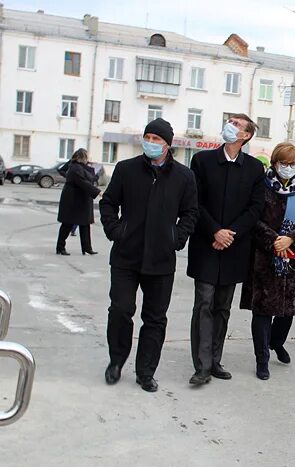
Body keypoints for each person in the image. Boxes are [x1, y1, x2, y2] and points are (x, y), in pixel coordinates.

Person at [99, 118, 198, 392]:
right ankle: (116, 361)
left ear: (168, 145)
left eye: (157, 139)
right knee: (120, 309)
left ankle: (145, 372)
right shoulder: (126, 169)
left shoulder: (183, 176)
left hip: (161, 260)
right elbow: (108, 203)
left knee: (154, 318)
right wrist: (116, 230)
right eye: (148, 138)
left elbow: (191, 212)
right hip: (125, 257)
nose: (151, 143)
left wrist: (176, 238)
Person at [186, 114, 265, 386]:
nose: (229, 127)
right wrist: (214, 231)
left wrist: (230, 234)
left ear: (246, 136)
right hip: (206, 243)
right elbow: (195, 200)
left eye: (236, 125)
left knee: (222, 306)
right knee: (204, 302)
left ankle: (215, 359)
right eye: (228, 122)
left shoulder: (254, 169)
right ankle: (202, 365)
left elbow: (255, 208)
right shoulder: (203, 160)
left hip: (235, 246)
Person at [241, 143, 295, 380]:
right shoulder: (261, 185)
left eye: (293, 164)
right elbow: (252, 218)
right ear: (275, 163)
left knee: (288, 309)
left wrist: (292, 239)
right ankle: (262, 358)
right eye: (284, 163)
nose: (289, 168)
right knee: (263, 311)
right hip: (265, 256)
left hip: (293, 257)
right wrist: (274, 241)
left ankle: (277, 342)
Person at [56, 149, 101, 256]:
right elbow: (83, 182)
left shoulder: (81, 167)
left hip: (81, 198)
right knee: (67, 224)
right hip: (73, 199)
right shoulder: (75, 168)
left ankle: (87, 248)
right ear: (82, 157)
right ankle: (60, 247)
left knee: (85, 224)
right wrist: (98, 192)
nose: (87, 159)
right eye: (86, 157)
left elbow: (89, 178)